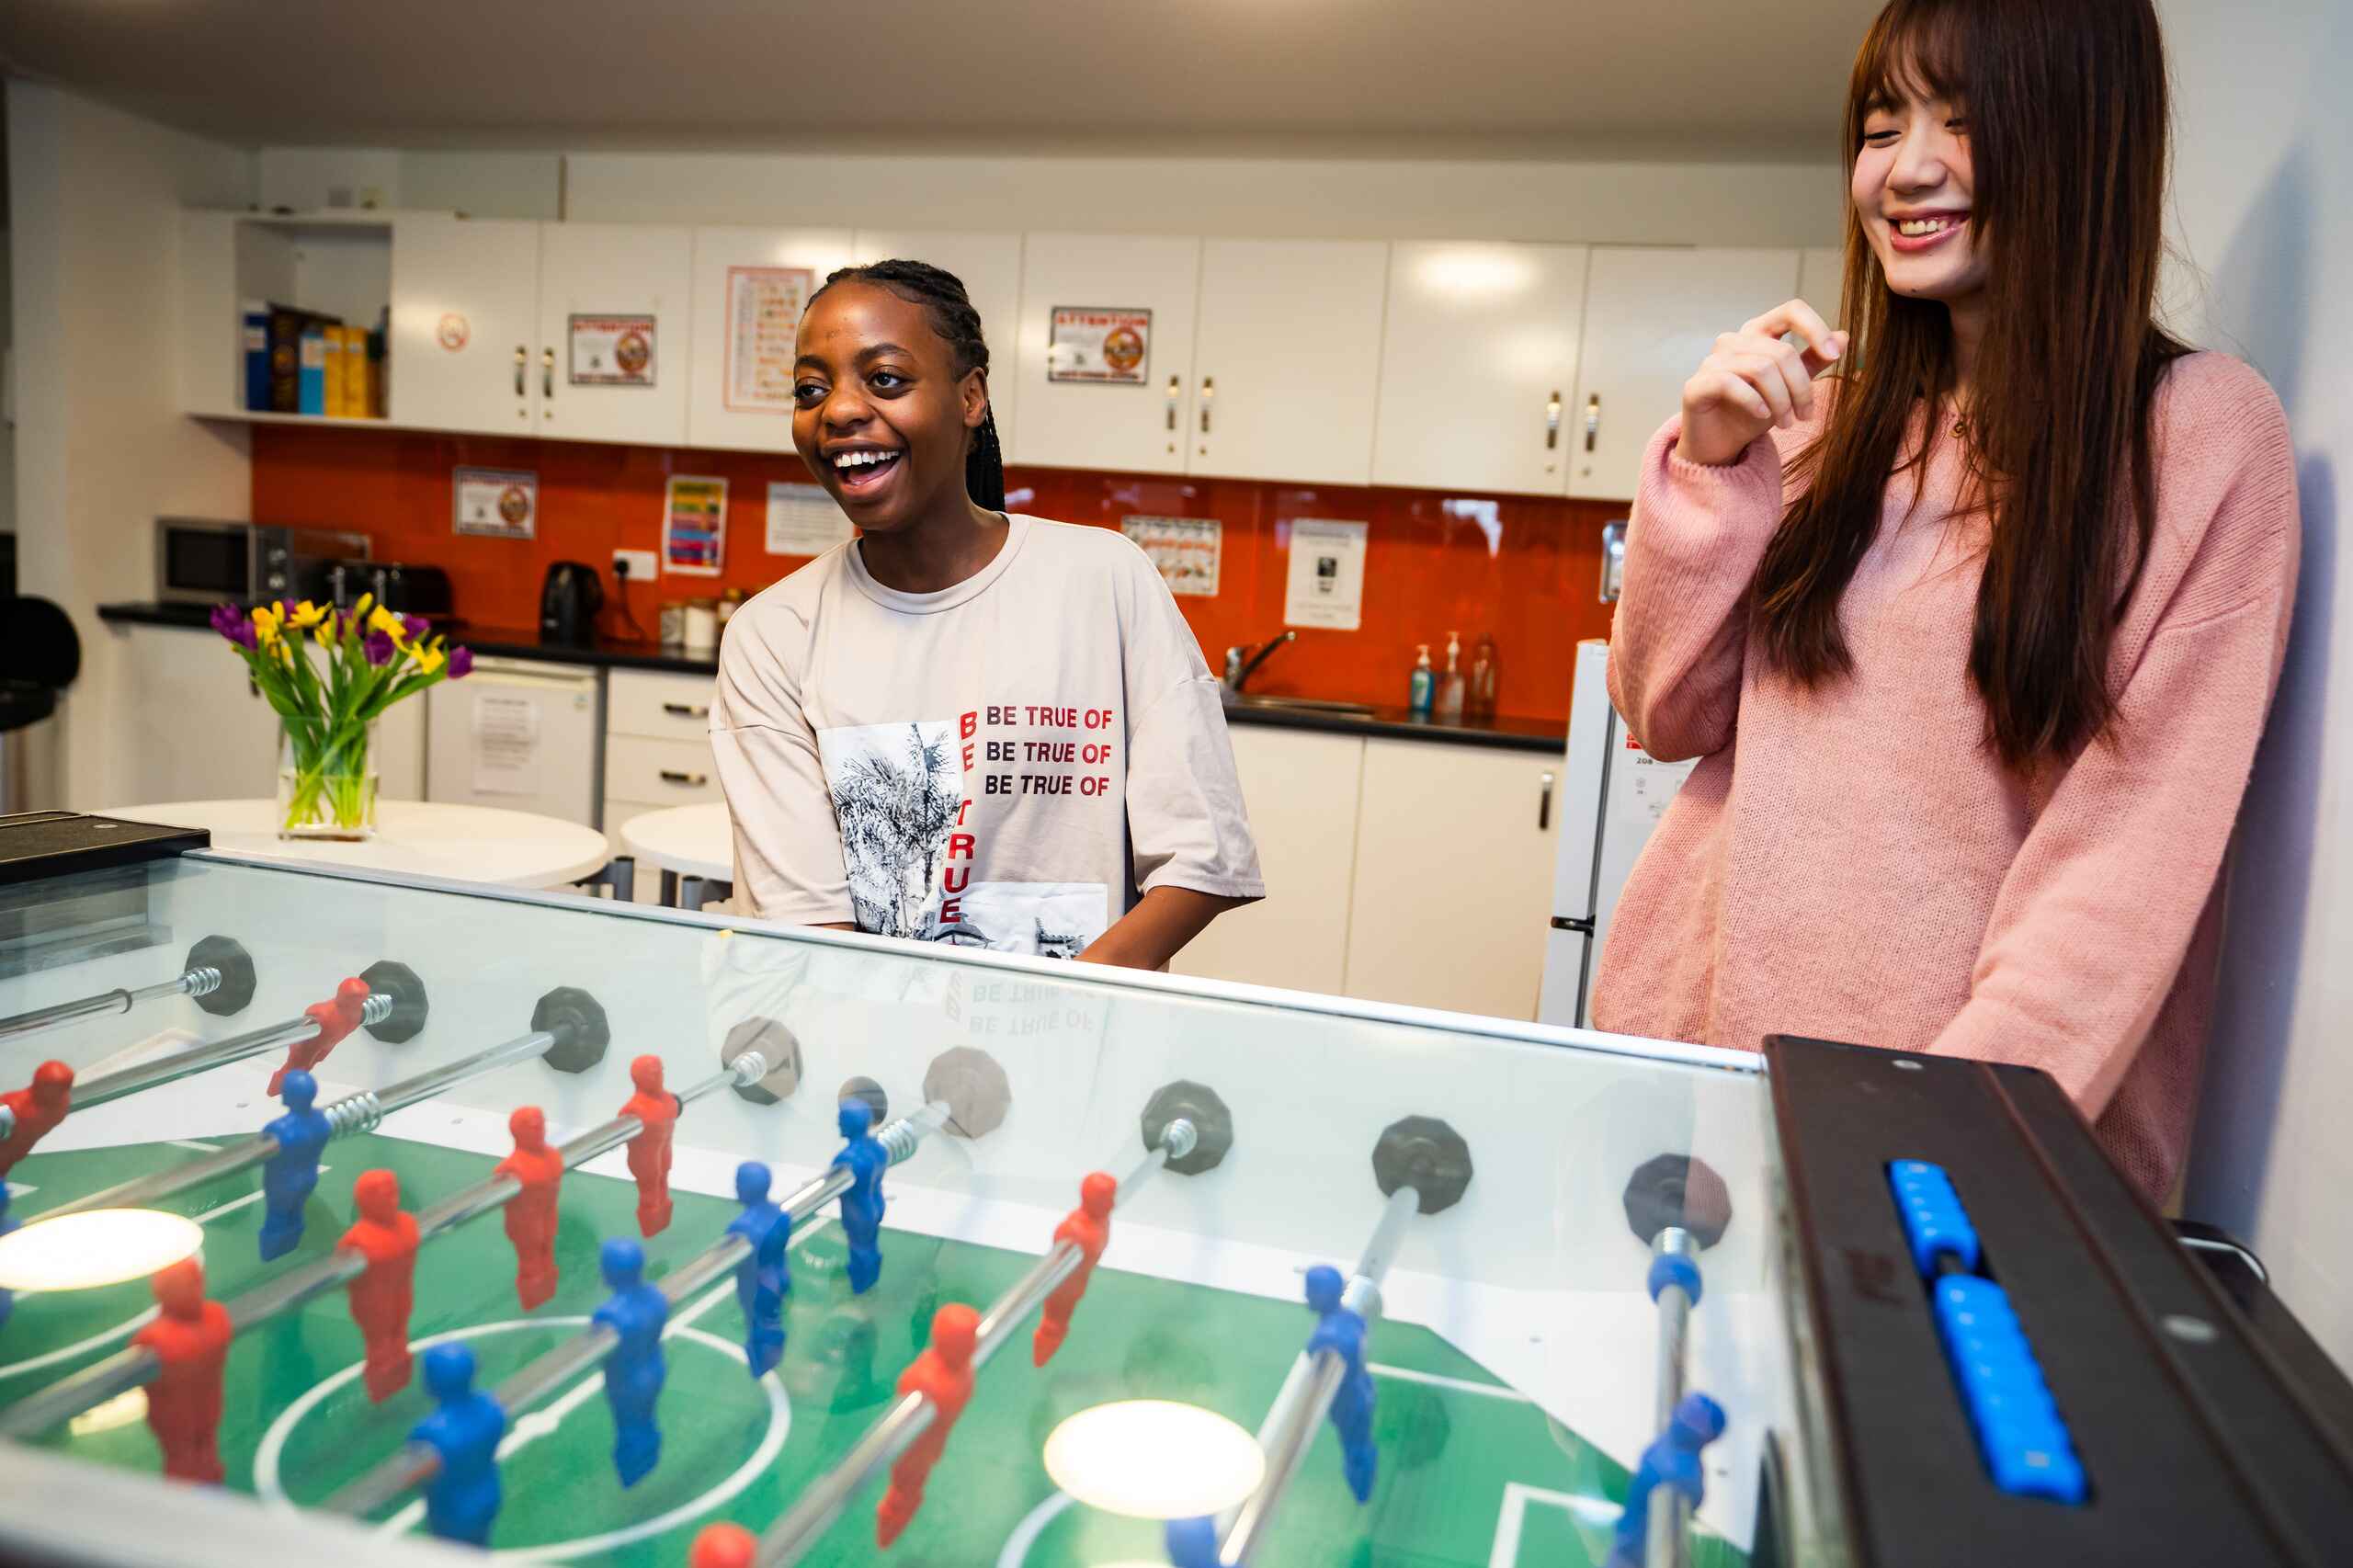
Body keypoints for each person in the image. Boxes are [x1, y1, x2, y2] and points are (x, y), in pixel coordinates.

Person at [1591, 0, 2300, 1204]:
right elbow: (1667, 712)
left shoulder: (2194, 439)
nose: (1904, 170)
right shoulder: (1824, 422)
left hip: (1950, 1166)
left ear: (2081, 137)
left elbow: (2115, 882)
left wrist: (1912, 1159)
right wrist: (1710, 465)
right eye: (1879, 125)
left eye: (1963, 122)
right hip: (1691, 1090)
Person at [710, 261, 1263, 966]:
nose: (839, 410)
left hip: (1089, 1042)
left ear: (970, 397)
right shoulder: (773, 636)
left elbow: (1202, 859)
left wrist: (1061, 1009)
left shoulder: (1104, 581)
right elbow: (809, 922)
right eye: (810, 389)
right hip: (879, 1050)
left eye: (884, 379)